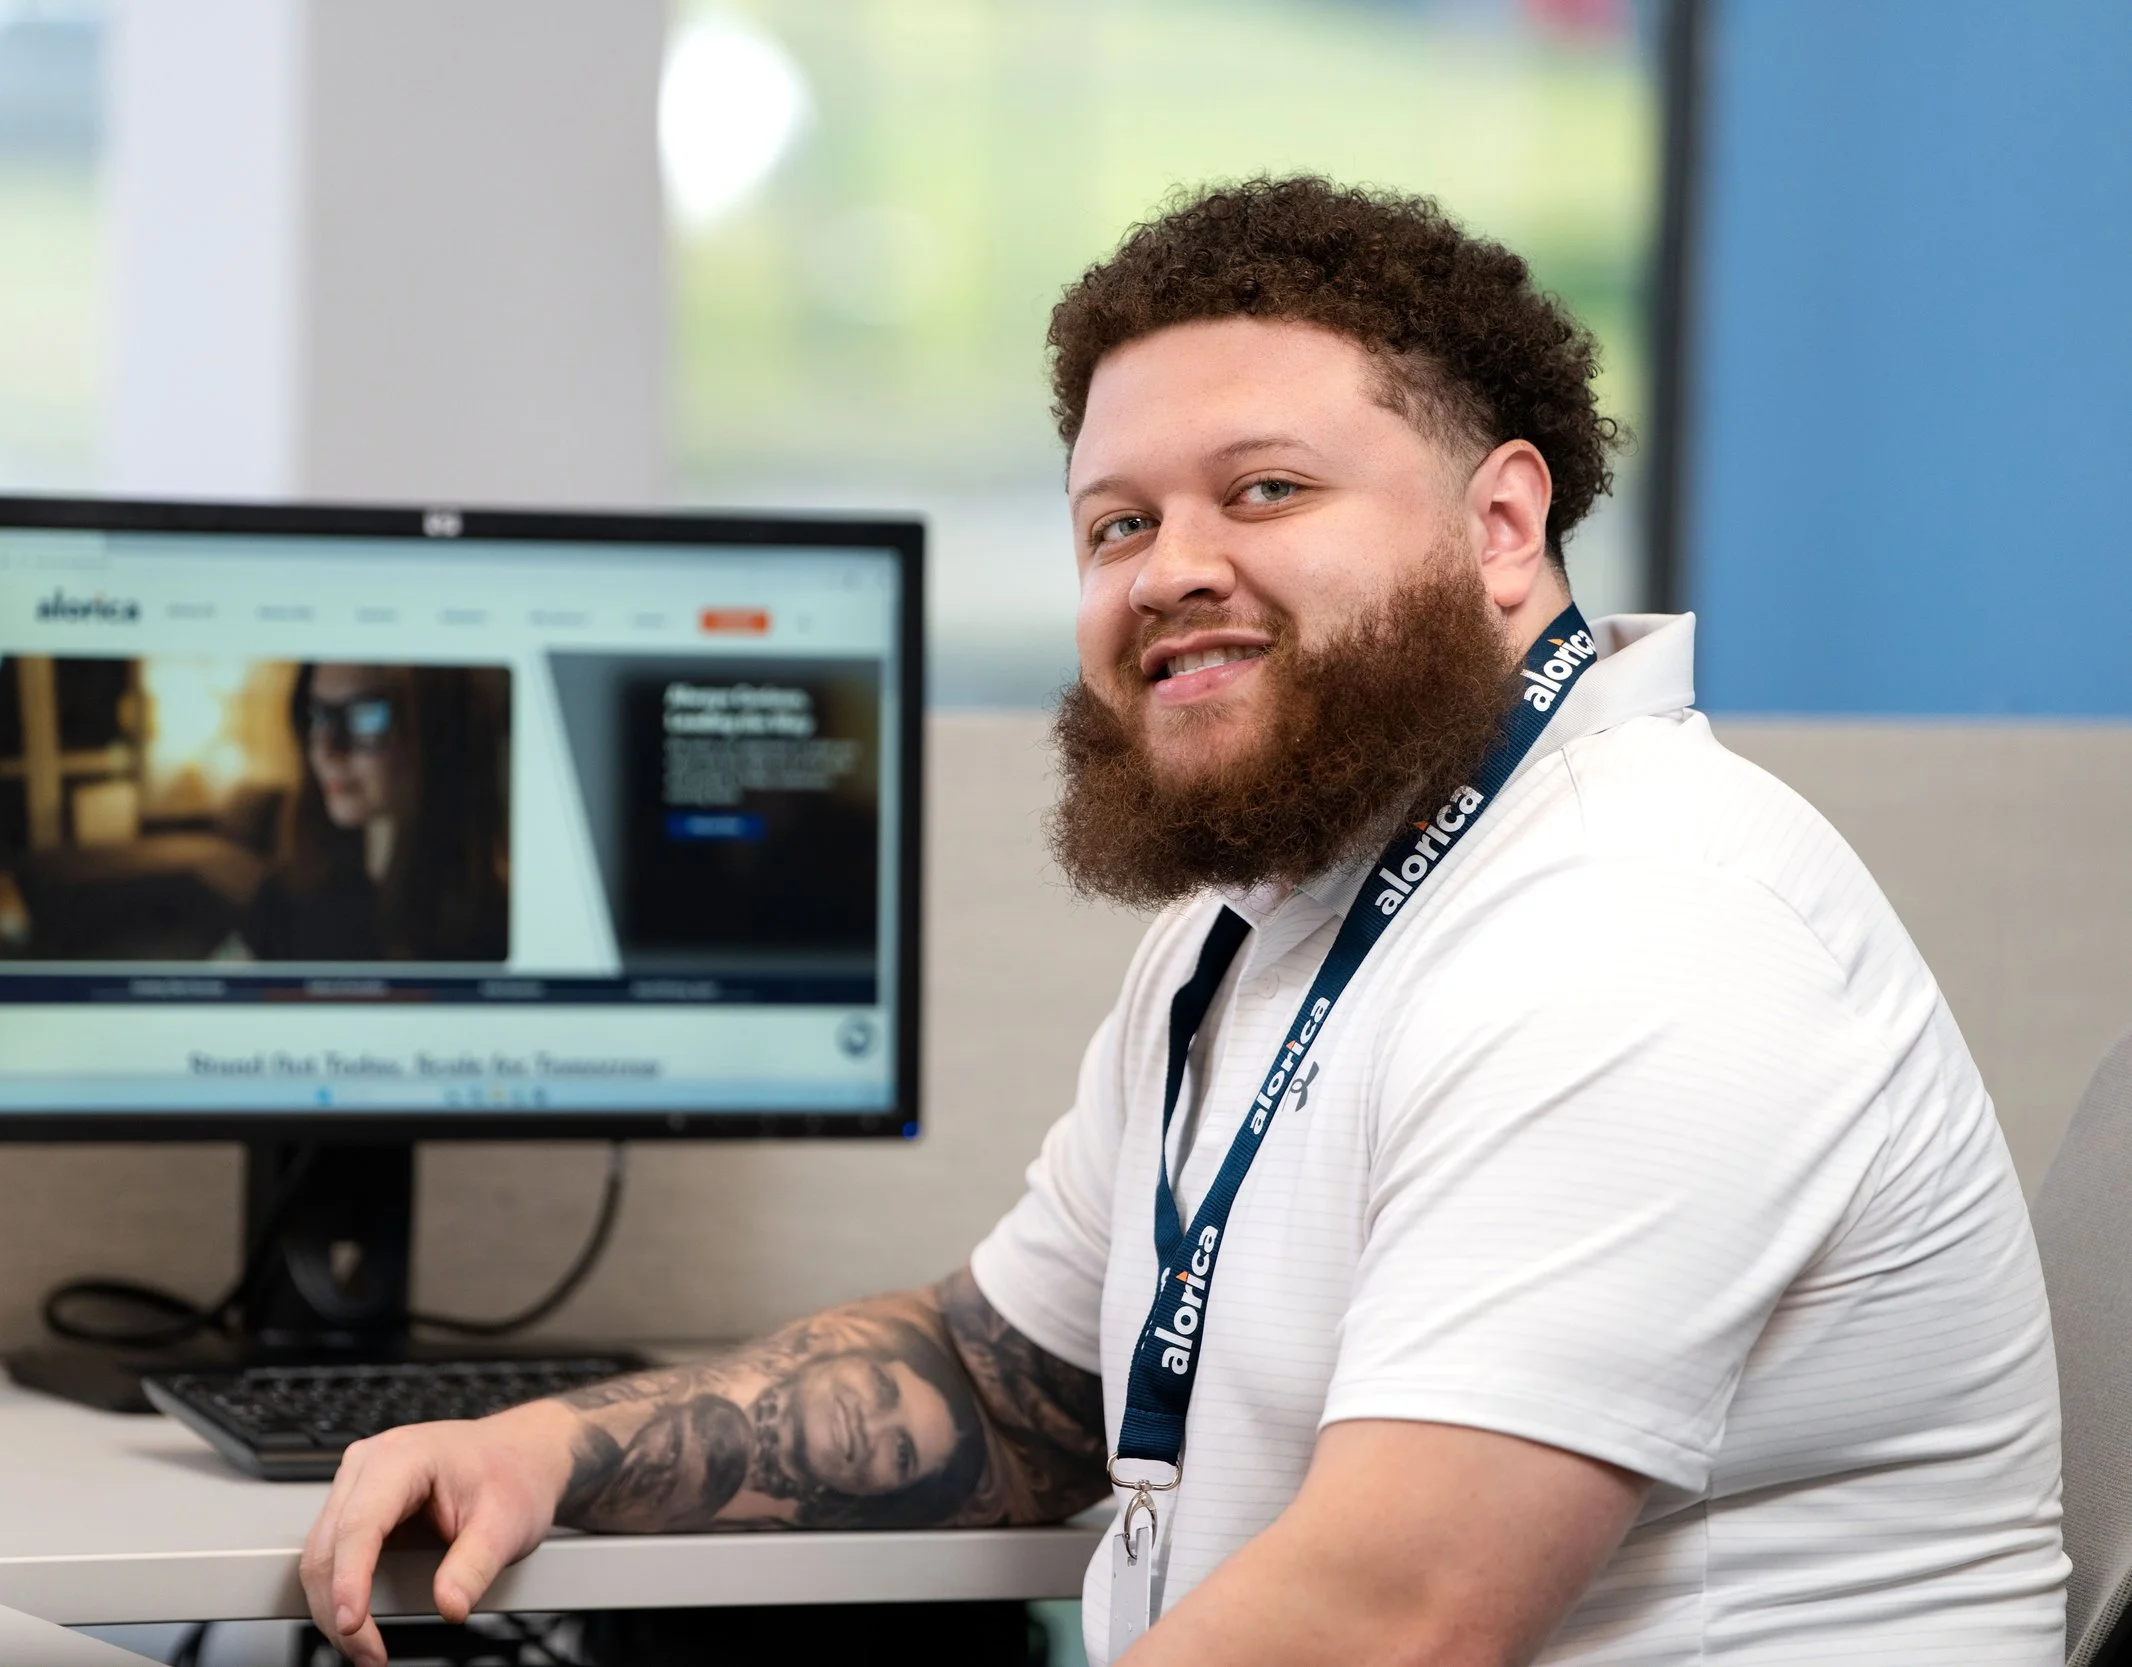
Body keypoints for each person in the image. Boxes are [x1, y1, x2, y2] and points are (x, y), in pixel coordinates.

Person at [300, 177, 2066, 1666]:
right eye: (1116, 522)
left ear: (1505, 523)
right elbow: (1009, 1387)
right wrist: (547, 1443)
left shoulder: (1647, 923)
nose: (1168, 567)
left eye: (1267, 490)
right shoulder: (1270, 919)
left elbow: (1397, 1613)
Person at [242, 662, 509, 963]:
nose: (327, 749)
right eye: (319, 715)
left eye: (364, 718)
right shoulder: (289, 892)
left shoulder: (497, 932)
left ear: (438, 729)